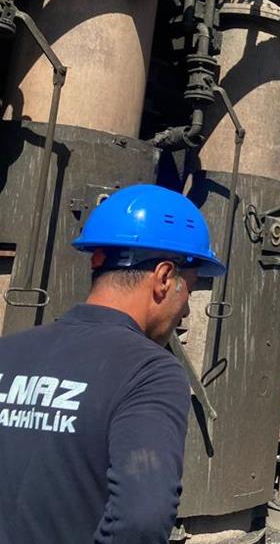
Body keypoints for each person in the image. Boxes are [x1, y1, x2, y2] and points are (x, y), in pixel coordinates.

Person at [0, 184, 226, 543]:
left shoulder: (9, 351)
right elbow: (143, 519)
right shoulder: (149, 373)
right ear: (164, 277)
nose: (185, 309)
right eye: (190, 287)